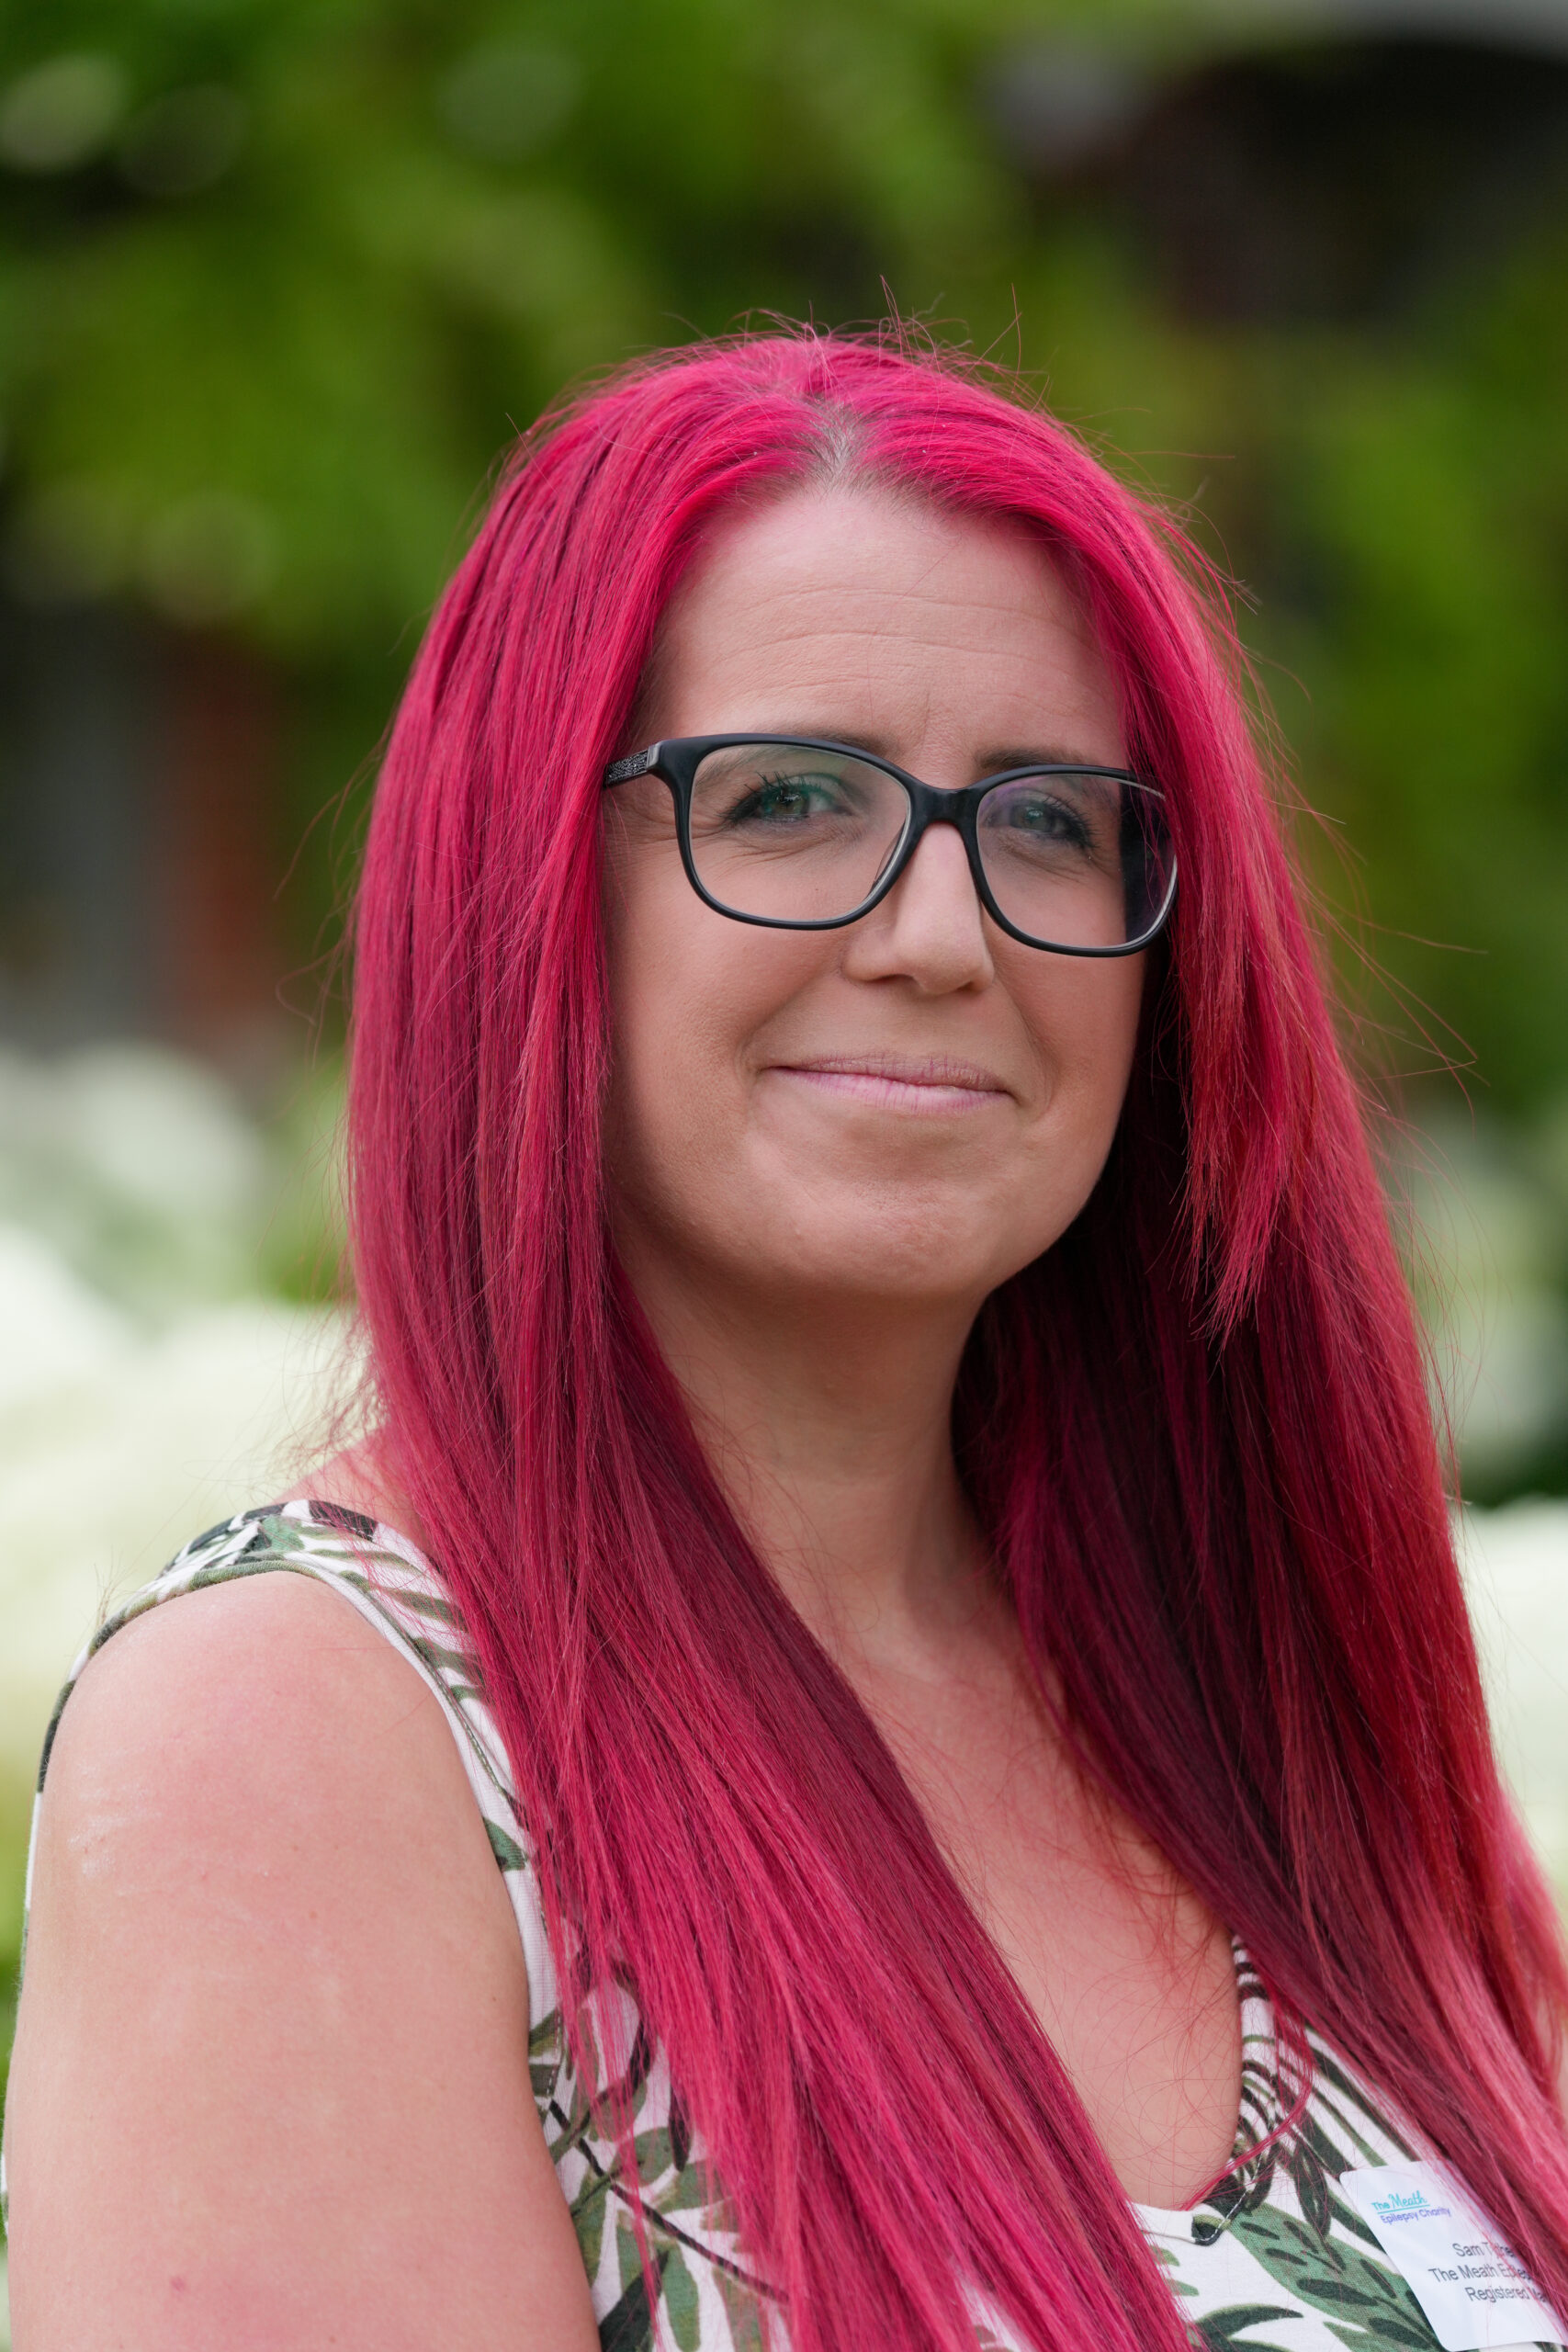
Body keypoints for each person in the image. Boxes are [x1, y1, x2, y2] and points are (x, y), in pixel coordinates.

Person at [6, 332, 1568, 2352]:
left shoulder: (1250, 1689)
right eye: (787, 800)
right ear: (530, 888)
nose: (937, 936)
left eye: (1044, 823)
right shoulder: (306, 1740)